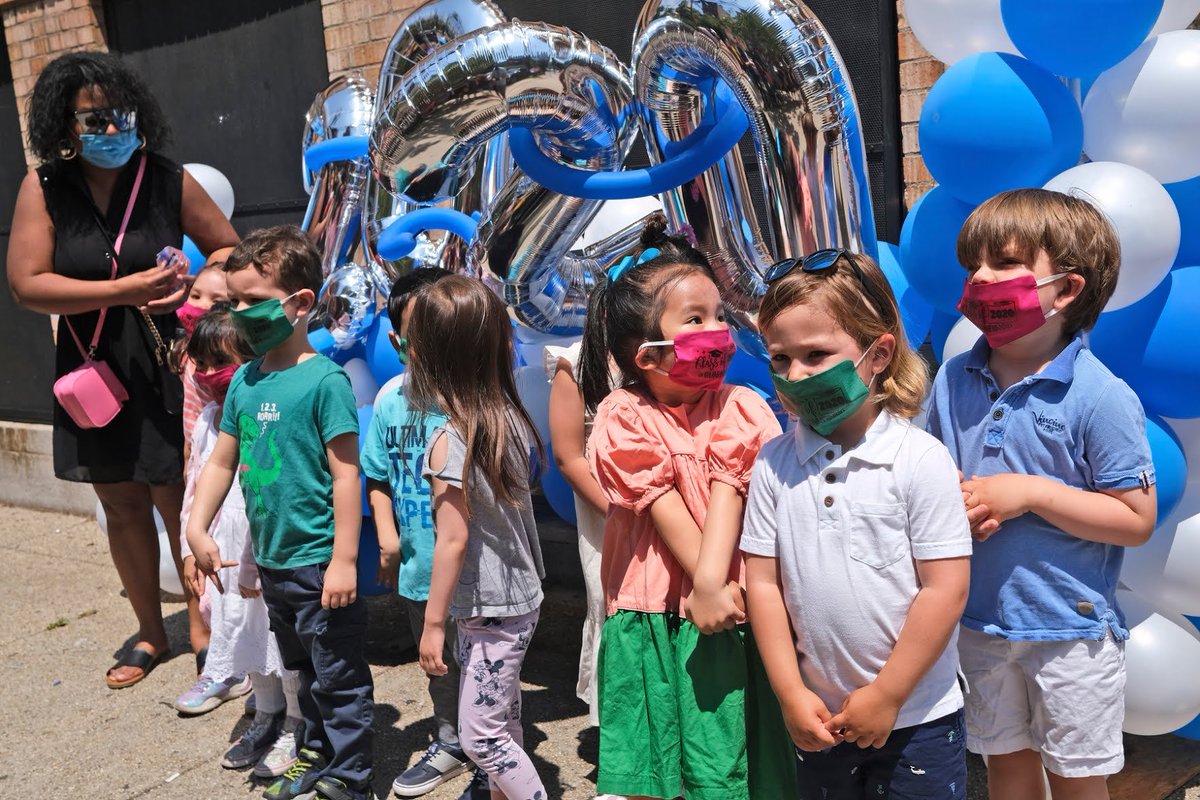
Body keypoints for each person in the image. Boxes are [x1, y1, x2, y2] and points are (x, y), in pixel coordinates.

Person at [6, 51, 238, 689]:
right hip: (92, 364)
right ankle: (148, 631)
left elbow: (228, 248)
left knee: (175, 494)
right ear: (64, 125)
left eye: (122, 116)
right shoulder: (45, 187)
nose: (112, 131)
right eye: (95, 119)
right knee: (120, 500)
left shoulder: (165, 178)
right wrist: (124, 289)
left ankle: (202, 628)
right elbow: (27, 285)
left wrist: (199, 276)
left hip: (165, 356)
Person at [927, 189, 1157, 800]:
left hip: (1070, 632)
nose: (980, 278)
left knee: (1079, 782)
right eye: (973, 264)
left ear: (1068, 289)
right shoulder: (953, 378)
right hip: (978, 623)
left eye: (1004, 264)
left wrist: (1030, 492)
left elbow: (1135, 520)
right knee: (1005, 769)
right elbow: (930, 469)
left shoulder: (1099, 396)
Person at [740, 249, 972, 799]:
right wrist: (790, 694)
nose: (794, 376)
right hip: (818, 719)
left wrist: (888, 695)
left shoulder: (920, 458)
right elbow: (763, 585)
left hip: (919, 720)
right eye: (779, 359)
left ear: (879, 353)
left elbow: (945, 588)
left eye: (817, 354)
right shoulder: (773, 463)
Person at [578, 216, 788, 800]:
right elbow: (664, 507)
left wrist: (718, 590)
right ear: (647, 354)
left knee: (731, 762)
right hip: (659, 611)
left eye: (720, 315)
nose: (718, 330)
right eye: (695, 320)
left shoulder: (743, 405)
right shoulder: (624, 414)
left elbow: (736, 492)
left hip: (731, 605)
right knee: (658, 765)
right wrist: (709, 585)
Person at [186, 226, 374, 800]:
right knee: (302, 672)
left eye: (252, 300)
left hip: (318, 562)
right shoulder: (245, 379)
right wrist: (197, 525)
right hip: (272, 562)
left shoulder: (325, 381)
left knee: (338, 677)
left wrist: (345, 559)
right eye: (232, 300)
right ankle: (314, 755)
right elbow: (222, 462)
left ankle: (352, 776)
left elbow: (348, 474)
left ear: (299, 304)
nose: (238, 313)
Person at [409, 275, 547, 800]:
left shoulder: (449, 440)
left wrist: (431, 623)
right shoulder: (505, 416)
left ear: (422, 354)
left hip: (490, 606)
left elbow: (451, 540)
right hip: (515, 597)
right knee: (503, 720)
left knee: (481, 738)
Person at [361, 267, 490, 800]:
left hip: (479, 575)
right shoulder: (391, 399)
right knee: (439, 664)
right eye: (422, 338)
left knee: (485, 669)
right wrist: (388, 537)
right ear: (398, 342)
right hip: (418, 567)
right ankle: (452, 741)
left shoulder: (477, 401)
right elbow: (376, 474)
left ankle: (492, 756)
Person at [178, 305, 301, 776]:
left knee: (277, 640)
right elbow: (195, 486)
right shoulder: (209, 418)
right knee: (243, 636)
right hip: (221, 552)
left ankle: (295, 720)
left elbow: (268, 486)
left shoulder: (264, 412)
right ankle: (266, 713)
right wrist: (192, 544)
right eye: (201, 364)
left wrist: (252, 560)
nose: (209, 375)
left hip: (265, 547)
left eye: (219, 362)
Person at [170, 262, 231, 695]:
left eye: (218, 301)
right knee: (197, 553)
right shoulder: (189, 358)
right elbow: (193, 424)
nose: (203, 307)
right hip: (202, 458)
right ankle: (207, 650)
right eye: (196, 295)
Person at [544, 338, 608, 730]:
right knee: (612, 612)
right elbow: (568, 456)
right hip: (612, 524)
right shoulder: (580, 360)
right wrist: (622, 517)